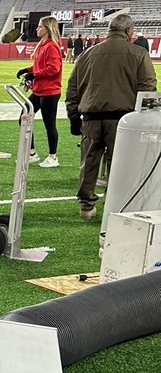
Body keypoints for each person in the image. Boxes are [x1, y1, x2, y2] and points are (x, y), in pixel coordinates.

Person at [65, 13, 156, 219]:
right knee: (120, 163)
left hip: (90, 118)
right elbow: (148, 89)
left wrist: (73, 116)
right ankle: (115, 205)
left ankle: (86, 206)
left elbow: (72, 88)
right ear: (129, 32)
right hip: (123, 120)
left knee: (89, 163)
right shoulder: (139, 54)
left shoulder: (87, 54)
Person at [16, 15, 64, 168]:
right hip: (39, 90)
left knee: (49, 124)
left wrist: (34, 74)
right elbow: (39, 66)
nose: (37, 29)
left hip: (50, 91)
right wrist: (27, 70)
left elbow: (53, 69)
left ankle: (53, 157)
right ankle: (31, 153)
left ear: (47, 29)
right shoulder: (43, 45)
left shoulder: (51, 46)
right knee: (23, 117)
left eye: (40, 26)